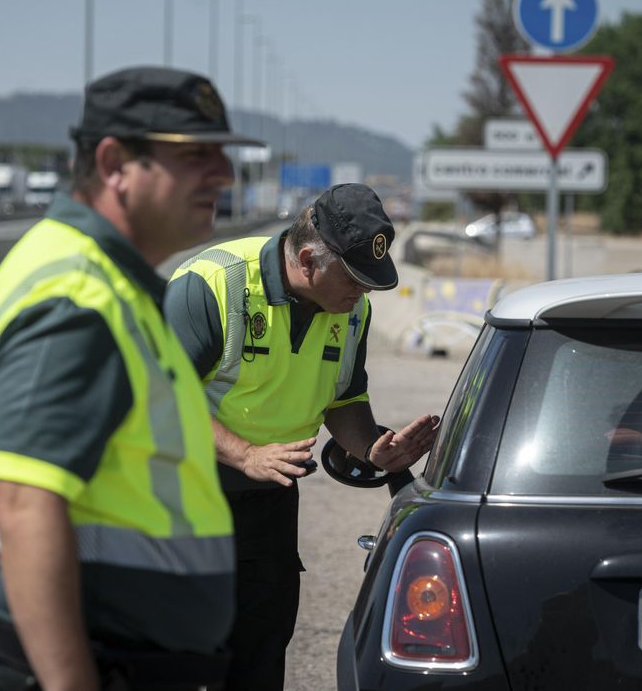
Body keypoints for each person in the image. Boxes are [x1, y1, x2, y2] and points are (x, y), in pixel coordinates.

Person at [0, 66, 262, 690]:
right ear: (116, 162)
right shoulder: (80, 296)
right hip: (85, 660)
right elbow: (27, 504)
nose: (223, 175)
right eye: (194, 155)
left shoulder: (110, 281)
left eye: (221, 154)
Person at [165, 183, 439, 691]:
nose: (364, 292)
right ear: (309, 259)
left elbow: (344, 399)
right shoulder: (212, 285)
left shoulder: (351, 310)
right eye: (356, 278)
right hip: (180, 501)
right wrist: (244, 453)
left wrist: (373, 449)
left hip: (269, 503)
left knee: (260, 656)